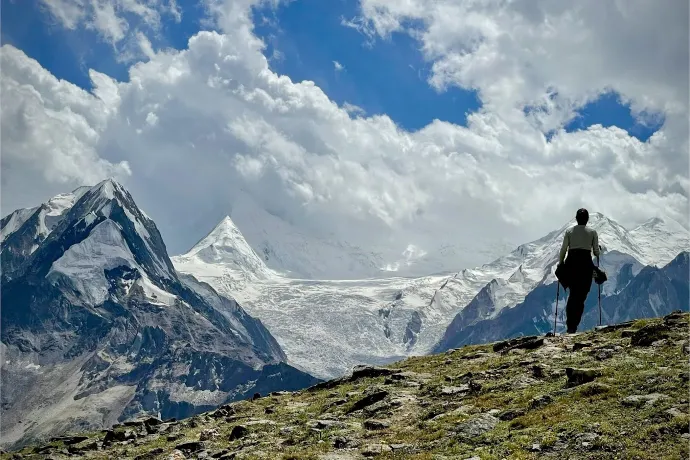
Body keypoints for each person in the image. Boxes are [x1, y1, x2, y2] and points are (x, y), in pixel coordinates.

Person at [557, 208, 600, 333]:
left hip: (571, 265)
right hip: (585, 266)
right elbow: (596, 252)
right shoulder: (592, 232)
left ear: (576, 218)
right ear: (587, 219)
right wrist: (599, 250)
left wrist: (561, 264)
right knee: (581, 297)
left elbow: (563, 249)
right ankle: (574, 325)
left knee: (573, 295)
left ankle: (570, 326)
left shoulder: (569, 231)